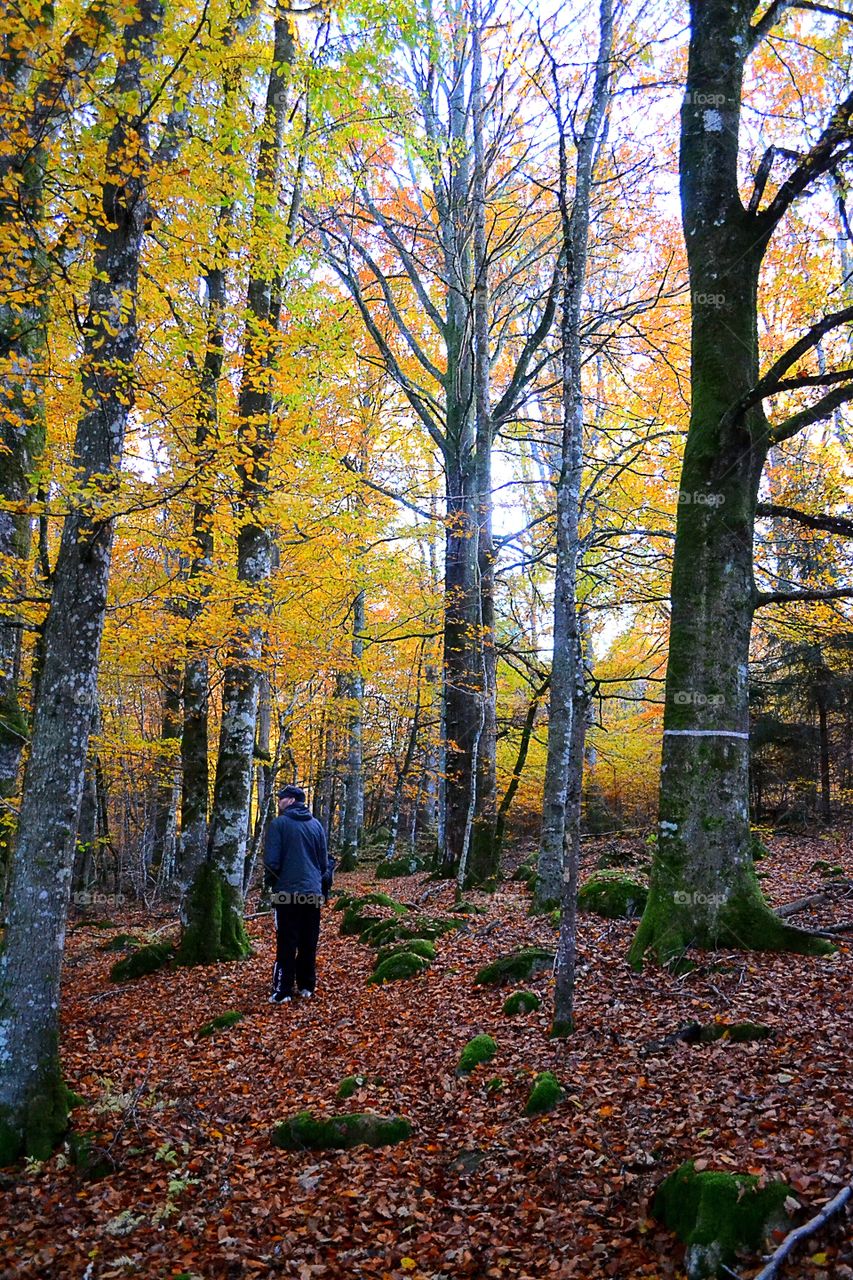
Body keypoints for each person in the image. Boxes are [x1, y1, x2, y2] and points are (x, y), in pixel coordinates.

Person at [264, 784, 332, 1005]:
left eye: (282, 798)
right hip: (313, 893)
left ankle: (282, 990)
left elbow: (271, 862)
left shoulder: (279, 824)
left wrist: (274, 882)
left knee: (286, 941)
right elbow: (324, 863)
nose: (279, 801)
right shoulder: (316, 826)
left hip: (286, 893)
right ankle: (306, 986)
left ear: (291, 800)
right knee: (308, 941)